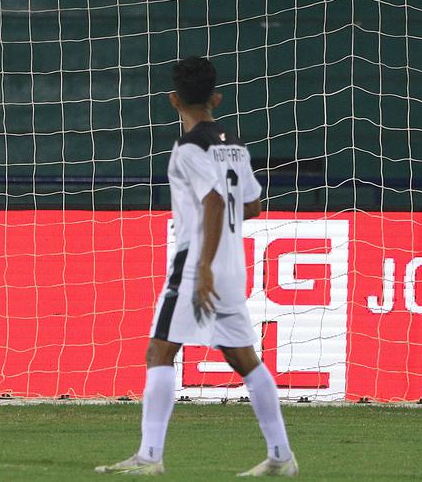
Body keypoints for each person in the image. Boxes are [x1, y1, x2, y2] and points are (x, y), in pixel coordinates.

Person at [96, 56, 297, 477]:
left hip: (197, 265)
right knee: (245, 360)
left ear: (173, 101)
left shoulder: (187, 149)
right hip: (233, 265)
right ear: (216, 98)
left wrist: (203, 265)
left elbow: (213, 199)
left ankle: (149, 457)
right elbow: (253, 204)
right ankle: (281, 455)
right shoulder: (233, 144)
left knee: (159, 351)